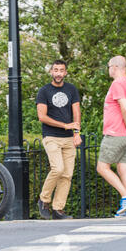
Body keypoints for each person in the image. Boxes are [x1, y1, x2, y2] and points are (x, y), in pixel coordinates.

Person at [36, 60, 82, 220]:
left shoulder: (71, 89)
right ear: (51, 72)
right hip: (51, 137)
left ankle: (58, 209)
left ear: (66, 73)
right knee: (58, 169)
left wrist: (76, 132)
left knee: (67, 175)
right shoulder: (44, 91)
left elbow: (76, 111)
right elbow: (42, 116)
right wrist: (65, 125)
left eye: (61, 70)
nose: (58, 73)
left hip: (69, 139)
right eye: (55, 70)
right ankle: (44, 199)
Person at [96, 56, 126, 217]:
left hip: (116, 133)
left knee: (102, 167)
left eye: (108, 66)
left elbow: (125, 108)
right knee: (123, 168)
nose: (108, 69)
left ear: (115, 67)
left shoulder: (117, 83)